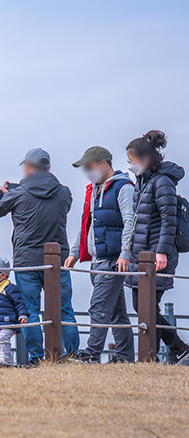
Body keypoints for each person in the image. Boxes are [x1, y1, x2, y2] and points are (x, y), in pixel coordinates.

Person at [0, 148, 79, 365]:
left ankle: (36, 358)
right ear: (48, 167)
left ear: (27, 167)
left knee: (31, 312)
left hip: (26, 262)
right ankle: (72, 356)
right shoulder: (65, 192)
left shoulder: (17, 194)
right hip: (57, 262)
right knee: (65, 310)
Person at [64, 146, 136, 363]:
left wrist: (125, 252)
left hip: (113, 260)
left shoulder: (123, 188)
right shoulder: (94, 190)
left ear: (103, 162)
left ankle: (91, 353)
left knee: (98, 307)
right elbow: (86, 225)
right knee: (116, 313)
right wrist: (75, 252)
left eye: (89, 165)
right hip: (97, 261)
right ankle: (124, 358)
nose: (86, 170)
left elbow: (130, 222)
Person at [124, 130, 189, 364]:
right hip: (141, 254)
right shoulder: (143, 181)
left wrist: (161, 251)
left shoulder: (162, 182)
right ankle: (178, 348)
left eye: (132, 161)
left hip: (157, 254)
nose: (131, 165)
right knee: (141, 306)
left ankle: (177, 348)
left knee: (148, 306)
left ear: (146, 158)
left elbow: (168, 218)